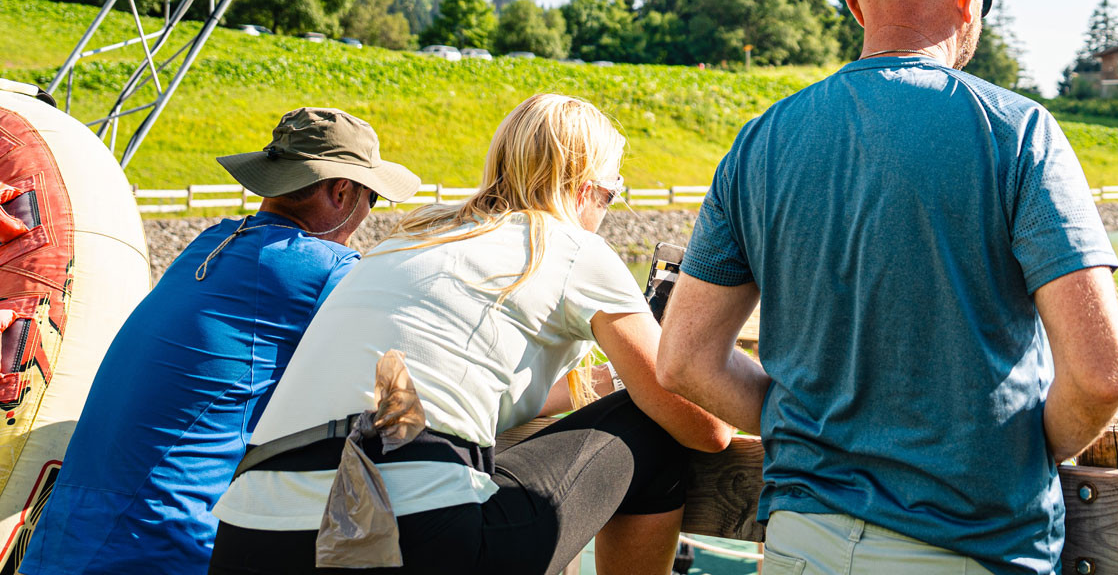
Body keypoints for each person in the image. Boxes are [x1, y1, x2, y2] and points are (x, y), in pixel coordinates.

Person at [656, 0, 1118, 575]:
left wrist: (810, 430)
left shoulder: (759, 142)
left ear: (855, 4)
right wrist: (1017, 453)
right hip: (973, 550)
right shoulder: (1018, 133)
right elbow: (1100, 377)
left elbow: (683, 360)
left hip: (797, 546)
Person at [208, 92, 733, 575]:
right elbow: (706, 425)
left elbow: (447, 394)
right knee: (657, 430)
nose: (606, 208)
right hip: (408, 536)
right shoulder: (572, 246)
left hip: (248, 534)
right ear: (581, 189)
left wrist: (596, 383)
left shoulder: (410, 235)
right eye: (611, 192)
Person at [22, 107, 418, 575]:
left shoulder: (209, 242)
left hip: (60, 541)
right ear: (342, 190)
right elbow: (400, 386)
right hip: (161, 545)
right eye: (372, 197)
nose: (368, 214)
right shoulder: (325, 268)